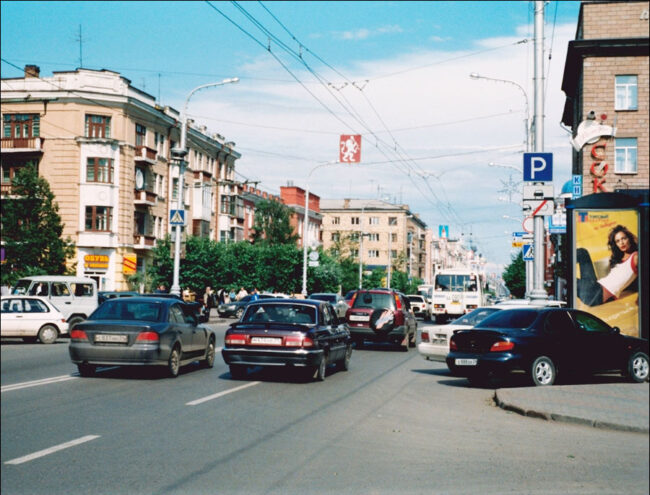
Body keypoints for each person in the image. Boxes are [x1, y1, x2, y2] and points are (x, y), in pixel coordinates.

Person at [576, 224, 638, 306]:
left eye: (624, 238)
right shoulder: (619, 259)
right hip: (594, 289)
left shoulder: (636, 257)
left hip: (596, 294)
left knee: (580, 255)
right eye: (618, 241)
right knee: (582, 253)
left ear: (629, 239)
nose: (621, 243)